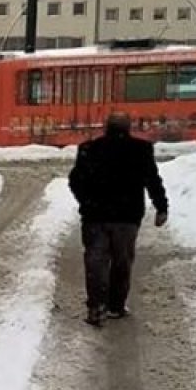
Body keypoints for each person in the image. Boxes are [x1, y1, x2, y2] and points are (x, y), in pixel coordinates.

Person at [69, 113, 169, 327]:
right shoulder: (141, 150)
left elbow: (75, 180)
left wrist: (85, 200)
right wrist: (161, 207)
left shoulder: (89, 149)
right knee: (122, 262)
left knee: (96, 261)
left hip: (95, 216)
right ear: (128, 128)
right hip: (127, 217)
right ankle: (115, 306)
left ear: (106, 128)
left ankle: (96, 306)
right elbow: (152, 180)